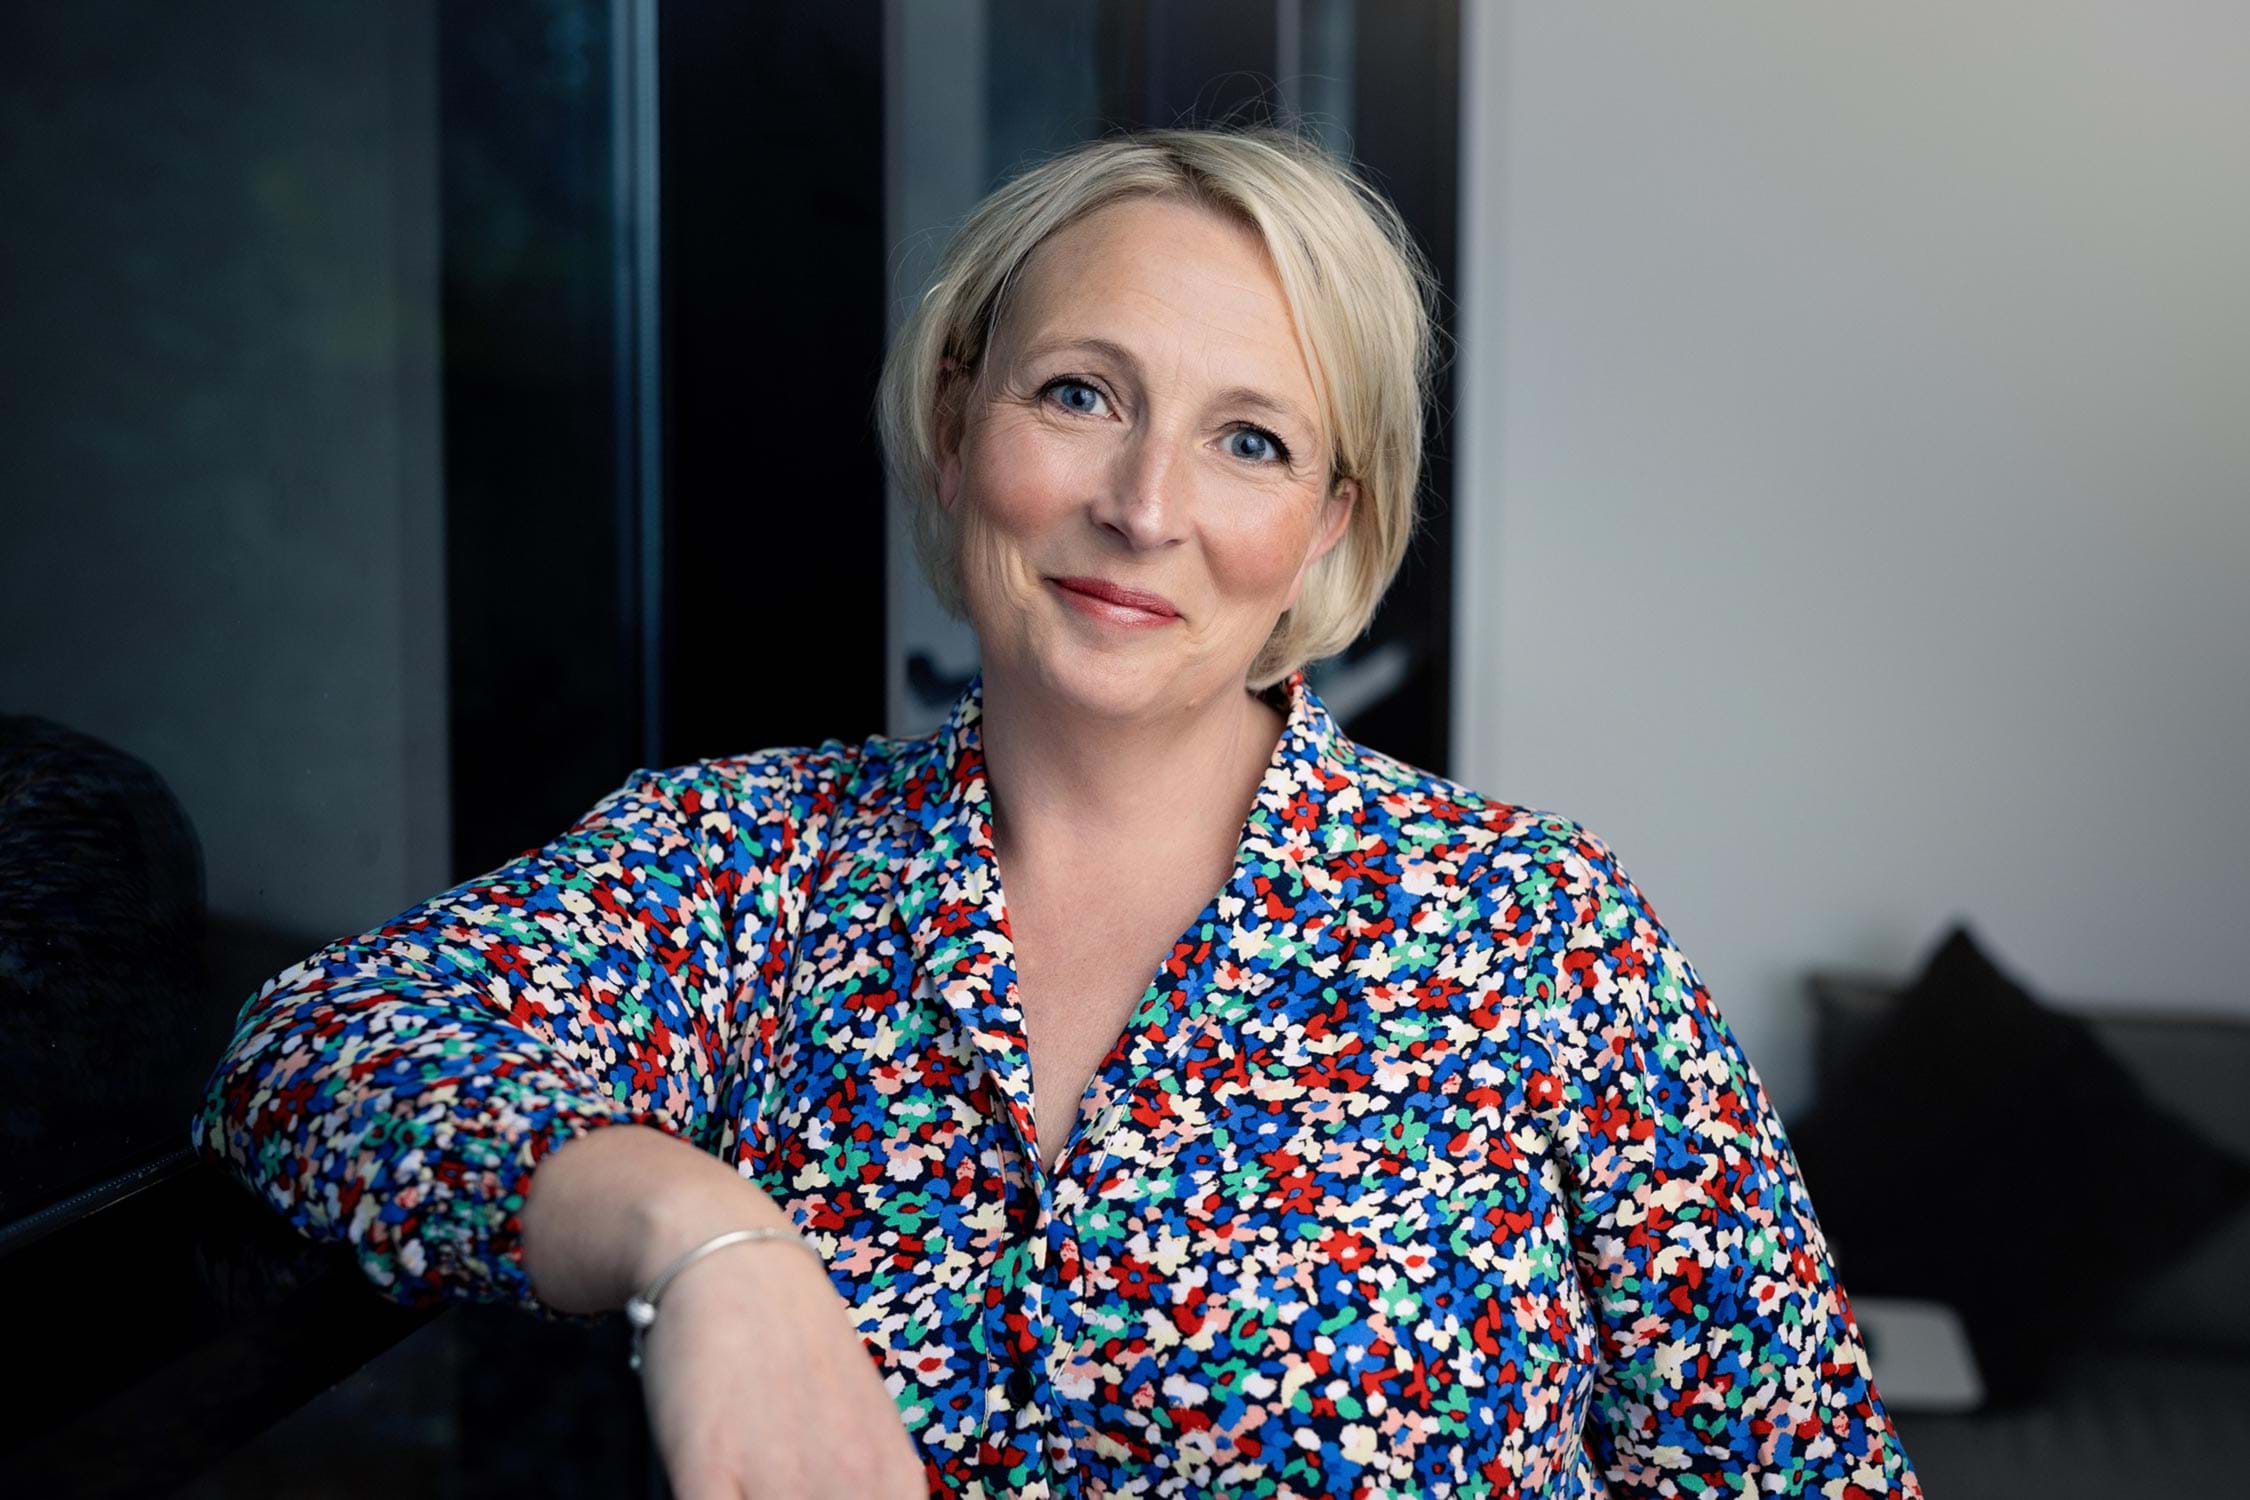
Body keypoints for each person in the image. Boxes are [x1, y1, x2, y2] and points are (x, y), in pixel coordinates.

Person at [192, 125, 1922, 1499]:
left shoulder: (1539, 929)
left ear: (1328, 525)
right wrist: (698, 1239)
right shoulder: (749, 865)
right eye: (1081, 395)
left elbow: (1794, 1469)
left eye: (1251, 442)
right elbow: (310, 1053)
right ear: (959, 428)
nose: (1144, 505)